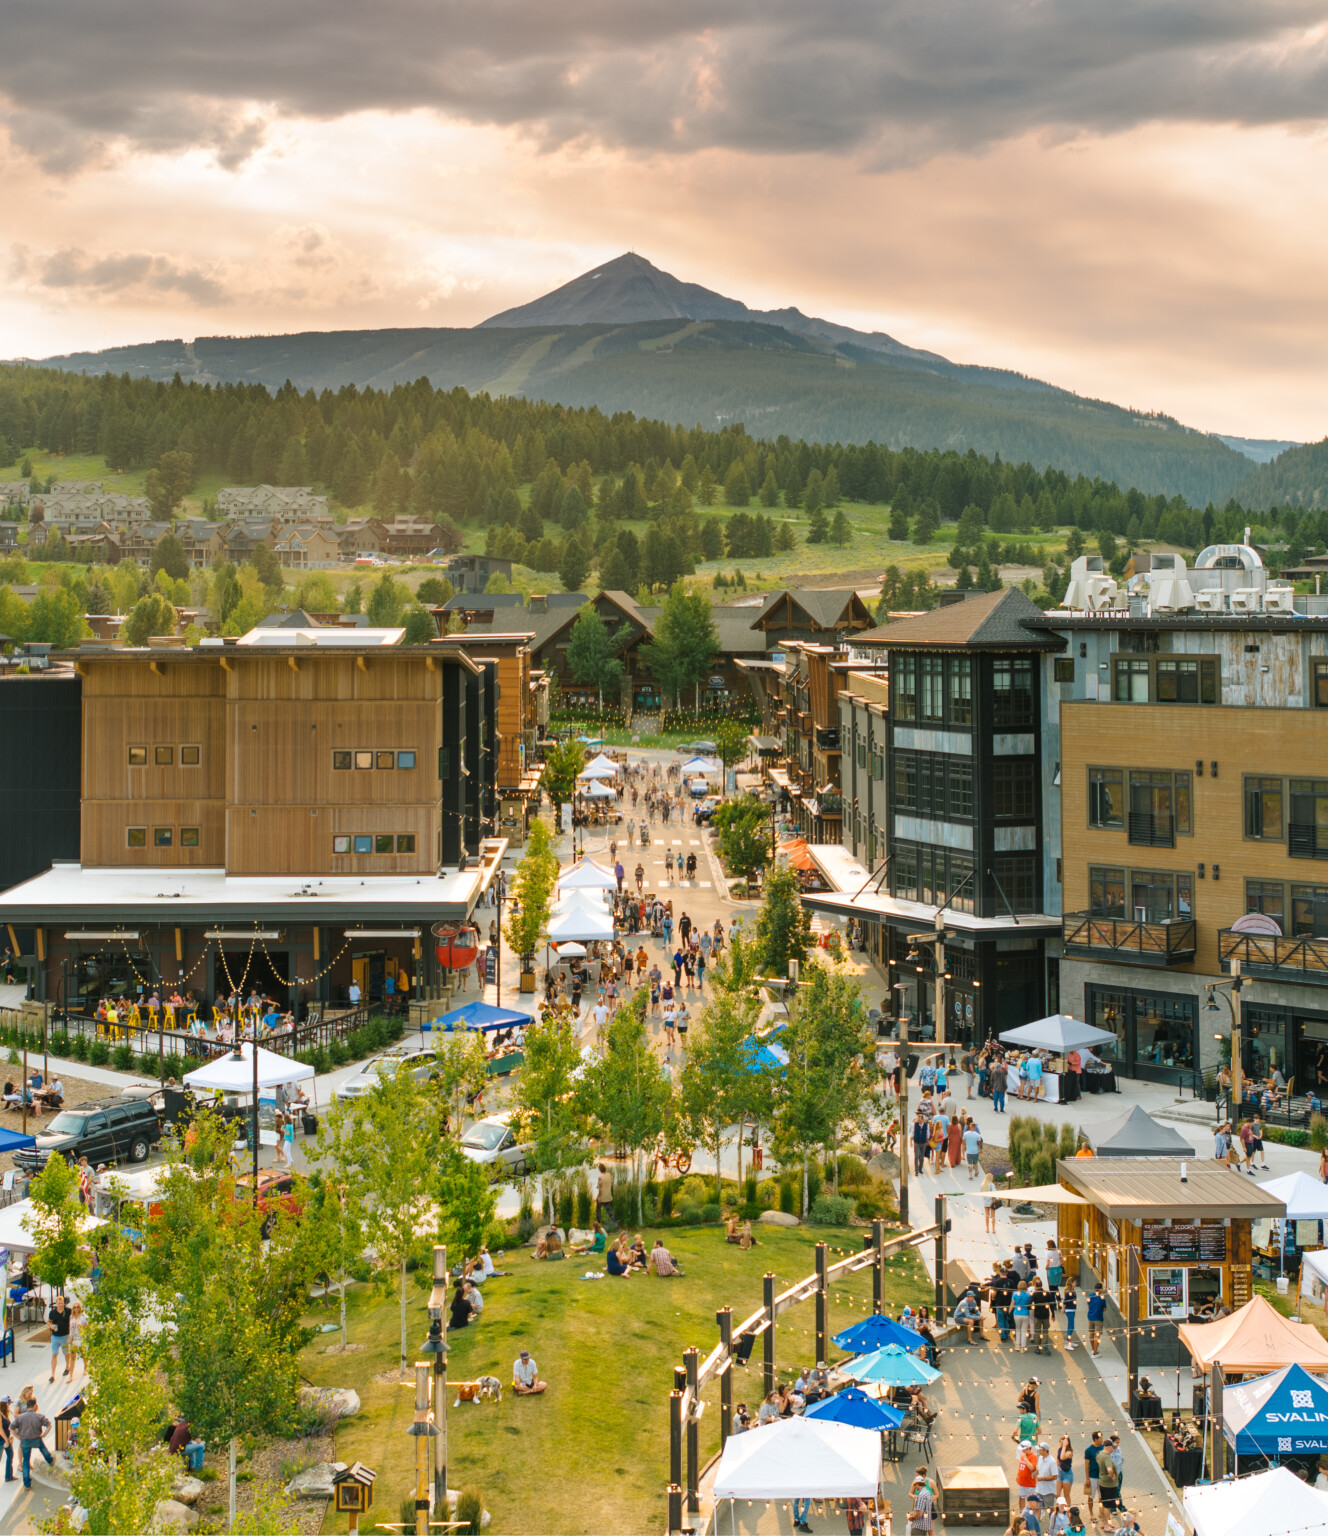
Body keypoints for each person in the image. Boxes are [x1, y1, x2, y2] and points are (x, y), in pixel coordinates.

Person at [14, 1396, 53, 1488]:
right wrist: (44, 1434)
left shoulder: (21, 1417)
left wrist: (18, 1436)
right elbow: (49, 1425)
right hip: (36, 1439)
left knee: (26, 1462)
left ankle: (27, 1484)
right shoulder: (39, 1416)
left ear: (27, 1406)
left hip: (25, 1440)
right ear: (35, 1405)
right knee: (43, 1448)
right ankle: (50, 1460)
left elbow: (11, 1428)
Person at [48, 1294, 72, 1382]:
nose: (60, 1305)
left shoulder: (68, 1311)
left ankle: (67, 1367)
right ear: (56, 1303)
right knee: (54, 1354)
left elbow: (75, 1315)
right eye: (59, 1303)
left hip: (65, 1336)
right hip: (55, 1336)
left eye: (61, 1303)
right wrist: (51, 1326)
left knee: (66, 1353)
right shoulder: (52, 1312)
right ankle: (52, 1375)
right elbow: (48, 1321)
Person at [908, 1465, 935, 1534]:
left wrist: (912, 1517)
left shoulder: (921, 1495)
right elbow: (926, 1512)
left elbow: (920, 1513)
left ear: (917, 1484)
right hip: (925, 1526)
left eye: (915, 1485)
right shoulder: (927, 1493)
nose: (915, 1486)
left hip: (918, 1526)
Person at [1083, 1431, 1103, 1520]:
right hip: (1092, 1476)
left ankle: (1101, 1512)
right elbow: (1086, 1465)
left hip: (1102, 1476)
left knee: (1101, 1496)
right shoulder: (1089, 1450)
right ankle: (1091, 1514)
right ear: (1095, 1439)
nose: (1102, 1440)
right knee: (1091, 1496)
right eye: (1100, 1438)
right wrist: (1087, 1479)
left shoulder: (1103, 1447)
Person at [1015, 1440, 1038, 1512]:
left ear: (1028, 1449)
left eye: (1023, 1449)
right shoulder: (1022, 1455)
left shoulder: (1033, 1456)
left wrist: (1025, 1458)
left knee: (1031, 1500)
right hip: (1021, 1482)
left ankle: (1031, 1513)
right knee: (1021, 1498)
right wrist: (1017, 1475)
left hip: (1029, 1483)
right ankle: (1022, 1512)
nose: (1022, 1451)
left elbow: (1032, 1467)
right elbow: (1020, 1465)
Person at [1011, 1280, 1032, 1353]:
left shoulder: (1015, 1294)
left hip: (1016, 1313)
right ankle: (1023, 1347)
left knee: (1018, 1330)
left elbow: (1012, 1304)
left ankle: (1017, 1346)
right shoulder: (1028, 1295)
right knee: (1024, 1331)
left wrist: (1009, 1311)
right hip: (1025, 1313)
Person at [1086, 1285, 1106, 1356]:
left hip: (1090, 1317)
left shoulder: (1090, 1296)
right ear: (1100, 1290)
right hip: (1098, 1318)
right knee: (1097, 1336)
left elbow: (1088, 1304)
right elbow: (1104, 1309)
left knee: (1091, 1333)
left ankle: (1092, 1349)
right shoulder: (1101, 1298)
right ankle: (1094, 1352)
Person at [1062, 1279, 1078, 1351]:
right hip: (1069, 1310)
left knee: (1070, 1326)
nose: (1076, 1283)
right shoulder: (1069, 1293)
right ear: (1071, 1283)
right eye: (1075, 1282)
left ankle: (1069, 1341)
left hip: (1072, 1309)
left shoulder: (1072, 1291)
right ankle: (1067, 1342)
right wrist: (1063, 1309)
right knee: (1071, 1327)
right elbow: (1065, 1302)